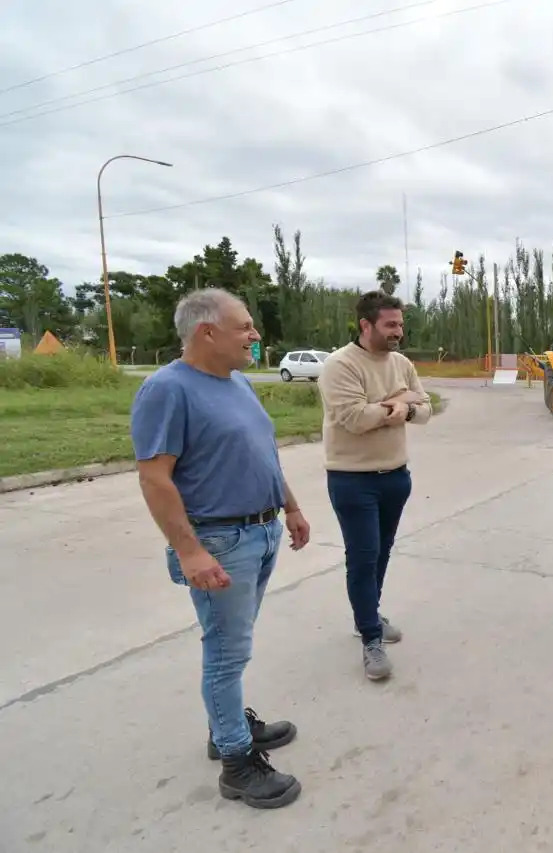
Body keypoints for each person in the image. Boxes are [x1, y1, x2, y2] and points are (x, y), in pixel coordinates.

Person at [130, 288, 312, 809]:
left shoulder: (237, 382)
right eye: (245, 327)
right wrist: (189, 551)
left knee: (234, 644)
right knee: (227, 652)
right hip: (219, 540)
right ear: (206, 332)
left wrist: (291, 506)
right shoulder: (167, 390)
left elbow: (263, 451)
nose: (255, 335)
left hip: (261, 530)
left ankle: (225, 726)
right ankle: (236, 763)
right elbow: (155, 478)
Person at [317, 291, 432, 681]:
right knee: (363, 556)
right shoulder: (340, 364)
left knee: (381, 552)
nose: (398, 331)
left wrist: (405, 406)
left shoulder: (401, 362)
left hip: (396, 476)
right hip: (353, 478)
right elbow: (354, 419)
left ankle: (368, 614)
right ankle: (370, 638)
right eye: (390, 325)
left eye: (400, 324)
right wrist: (396, 403)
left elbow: (425, 409)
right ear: (365, 325)